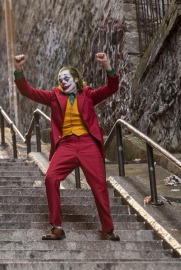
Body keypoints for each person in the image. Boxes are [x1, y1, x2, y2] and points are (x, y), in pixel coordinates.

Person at [14, 53, 120, 241]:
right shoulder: (54, 96)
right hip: (66, 145)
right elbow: (28, 92)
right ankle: (57, 227)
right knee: (51, 178)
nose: (63, 82)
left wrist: (107, 65)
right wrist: (19, 70)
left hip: (88, 144)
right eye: (60, 79)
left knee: (99, 185)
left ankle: (107, 229)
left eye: (66, 78)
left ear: (76, 79)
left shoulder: (87, 94)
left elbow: (112, 88)